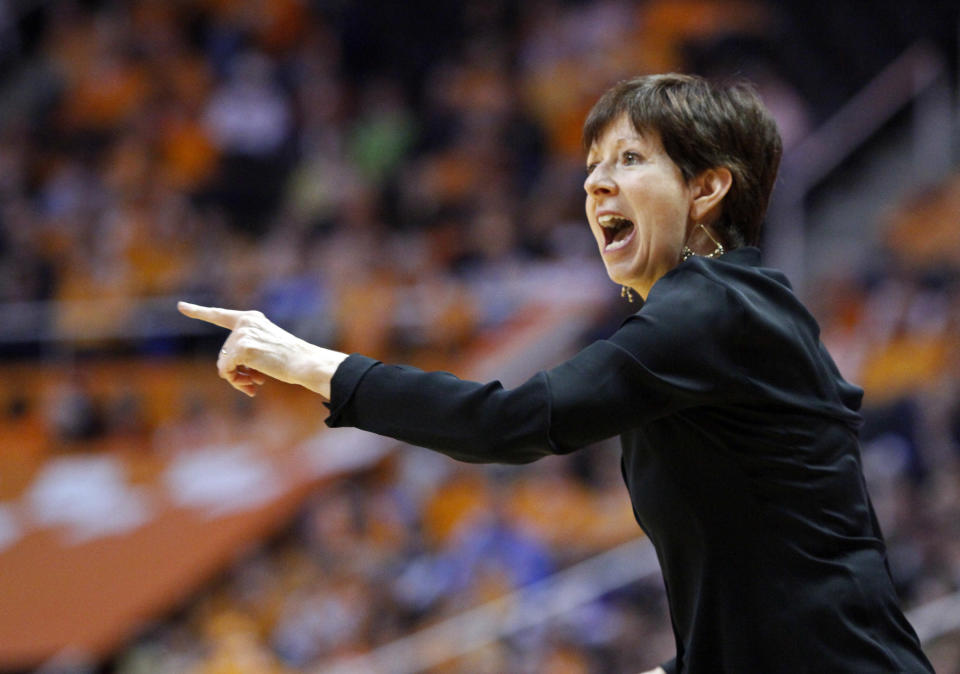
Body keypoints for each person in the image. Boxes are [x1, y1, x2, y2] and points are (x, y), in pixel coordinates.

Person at [178, 73, 934, 673]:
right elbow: (786, 553)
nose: (595, 185)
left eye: (630, 159)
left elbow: (507, 423)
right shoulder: (726, 322)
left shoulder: (710, 308)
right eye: (593, 165)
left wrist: (310, 362)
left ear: (706, 189)